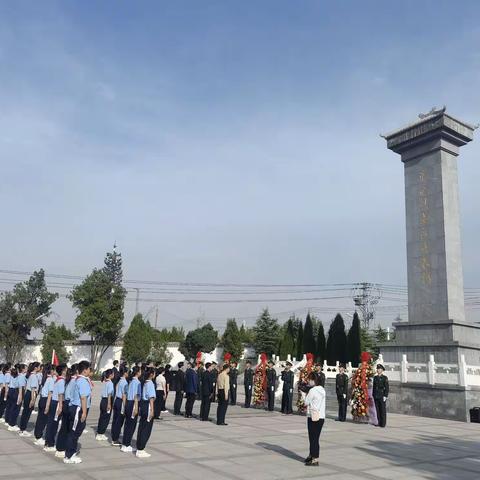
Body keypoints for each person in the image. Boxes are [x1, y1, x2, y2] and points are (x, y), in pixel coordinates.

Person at [64, 360, 92, 464]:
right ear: (84, 370)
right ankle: (69, 455)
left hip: (78, 408)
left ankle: (71, 452)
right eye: (89, 368)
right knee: (74, 432)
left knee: (76, 430)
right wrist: (84, 412)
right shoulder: (82, 381)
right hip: (79, 409)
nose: (90, 370)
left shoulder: (80, 379)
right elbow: (83, 398)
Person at [55, 364, 77, 457]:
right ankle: (62, 448)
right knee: (67, 428)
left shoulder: (68, 380)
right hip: (69, 404)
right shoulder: (74, 381)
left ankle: (60, 448)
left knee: (65, 427)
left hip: (66, 403)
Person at [304, 372, 326, 467]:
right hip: (321, 417)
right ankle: (311, 455)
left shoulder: (313, 390)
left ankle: (315, 459)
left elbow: (306, 402)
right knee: (315, 437)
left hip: (312, 416)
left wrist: (304, 393)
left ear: (314, 380)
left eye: (310, 379)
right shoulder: (322, 390)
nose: (308, 381)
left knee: (313, 438)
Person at [44, 364, 67, 451]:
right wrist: (60, 406)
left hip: (55, 403)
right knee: (54, 424)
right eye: (66, 369)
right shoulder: (61, 381)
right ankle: (50, 443)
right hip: (57, 403)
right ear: (63, 371)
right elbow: (60, 395)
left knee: (51, 423)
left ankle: (48, 442)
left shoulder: (58, 380)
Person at [136, 367, 156, 458]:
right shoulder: (150, 383)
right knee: (146, 428)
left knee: (141, 426)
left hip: (143, 405)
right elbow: (151, 397)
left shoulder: (144, 383)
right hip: (147, 405)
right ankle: (141, 449)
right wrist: (152, 410)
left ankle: (139, 447)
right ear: (151, 374)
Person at [121, 366, 142, 453]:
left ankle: (124, 444)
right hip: (134, 403)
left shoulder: (130, 382)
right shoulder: (137, 382)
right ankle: (127, 444)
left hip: (128, 403)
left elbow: (126, 394)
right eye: (140, 371)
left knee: (127, 424)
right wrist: (136, 408)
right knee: (131, 426)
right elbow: (136, 396)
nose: (141, 372)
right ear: (137, 372)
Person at [33, 364, 55, 446]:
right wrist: (48, 406)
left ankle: (37, 435)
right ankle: (39, 437)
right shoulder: (51, 380)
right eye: (54, 370)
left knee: (40, 419)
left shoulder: (44, 378)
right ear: (51, 370)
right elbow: (50, 394)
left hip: (42, 399)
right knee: (43, 420)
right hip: (46, 400)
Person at [19, 362, 40, 436]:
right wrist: (33, 399)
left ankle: (22, 428)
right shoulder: (33, 376)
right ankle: (23, 429)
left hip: (28, 394)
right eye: (39, 366)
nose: (40, 368)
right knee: (27, 412)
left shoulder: (31, 374)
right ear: (35, 368)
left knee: (25, 412)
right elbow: (33, 389)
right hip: (30, 394)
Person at [111, 366, 128, 446]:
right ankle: (115, 439)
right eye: (127, 372)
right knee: (119, 421)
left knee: (115, 420)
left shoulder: (118, 381)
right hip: (121, 401)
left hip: (116, 400)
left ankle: (114, 436)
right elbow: (124, 395)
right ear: (125, 373)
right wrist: (125, 407)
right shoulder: (125, 382)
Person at [96, 368, 114, 441]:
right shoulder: (110, 383)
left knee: (102, 417)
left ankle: (99, 433)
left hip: (103, 400)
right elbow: (109, 394)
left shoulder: (105, 382)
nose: (113, 375)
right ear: (110, 375)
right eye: (112, 374)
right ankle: (101, 433)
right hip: (107, 401)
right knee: (106, 418)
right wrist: (109, 404)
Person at [8, 363, 27, 431]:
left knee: (13, 408)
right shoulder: (21, 376)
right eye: (25, 368)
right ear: (22, 369)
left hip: (14, 392)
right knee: (16, 409)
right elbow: (20, 387)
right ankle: (12, 424)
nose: (26, 369)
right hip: (18, 392)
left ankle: (11, 423)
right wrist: (20, 396)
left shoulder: (17, 375)